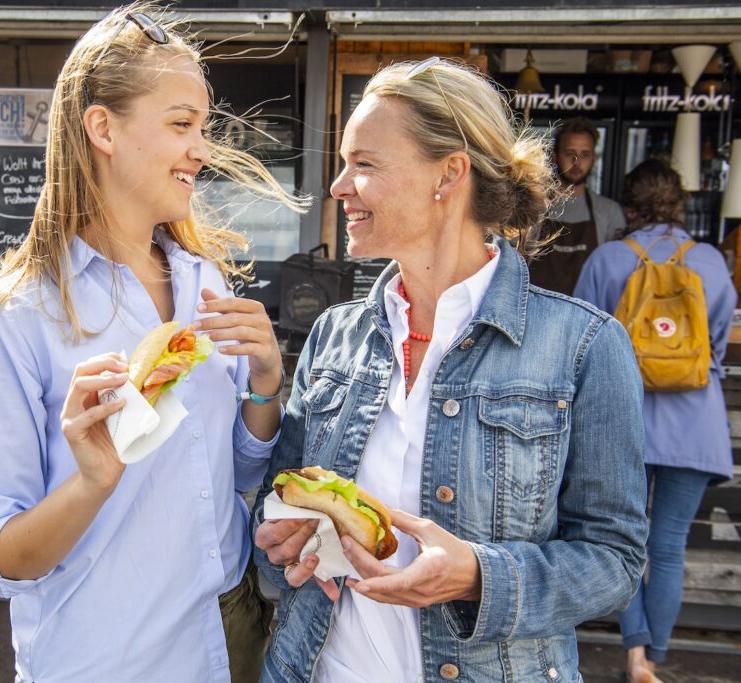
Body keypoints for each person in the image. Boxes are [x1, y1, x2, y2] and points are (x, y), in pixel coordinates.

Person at [252, 58, 649, 682]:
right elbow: (275, 519)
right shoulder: (334, 336)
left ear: (448, 174)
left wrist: (477, 577)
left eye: (364, 164)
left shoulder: (585, 346)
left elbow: (616, 561)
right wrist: (286, 538)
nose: (338, 186)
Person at [0, 5, 303, 682]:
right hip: (109, 657)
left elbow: (236, 472)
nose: (202, 149)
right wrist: (92, 481)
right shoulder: (10, 319)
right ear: (103, 128)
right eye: (181, 125)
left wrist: (265, 379)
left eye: (202, 127)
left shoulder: (204, 278)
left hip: (231, 636)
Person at [575, 158, 735, 683]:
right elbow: (713, 344)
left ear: (630, 203)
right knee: (668, 546)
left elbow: (581, 342)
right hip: (695, 421)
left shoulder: (608, 258)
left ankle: (633, 653)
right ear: (678, 202)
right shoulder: (710, 260)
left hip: (624, 422)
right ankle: (653, 657)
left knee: (622, 543)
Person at [529, 116, 627, 295]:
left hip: (589, 317)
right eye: (569, 153)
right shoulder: (534, 207)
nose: (577, 162)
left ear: (593, 159)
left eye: (585, 154)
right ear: (555, 156)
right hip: (537, 315)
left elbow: (616, 277)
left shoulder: (609, 212)